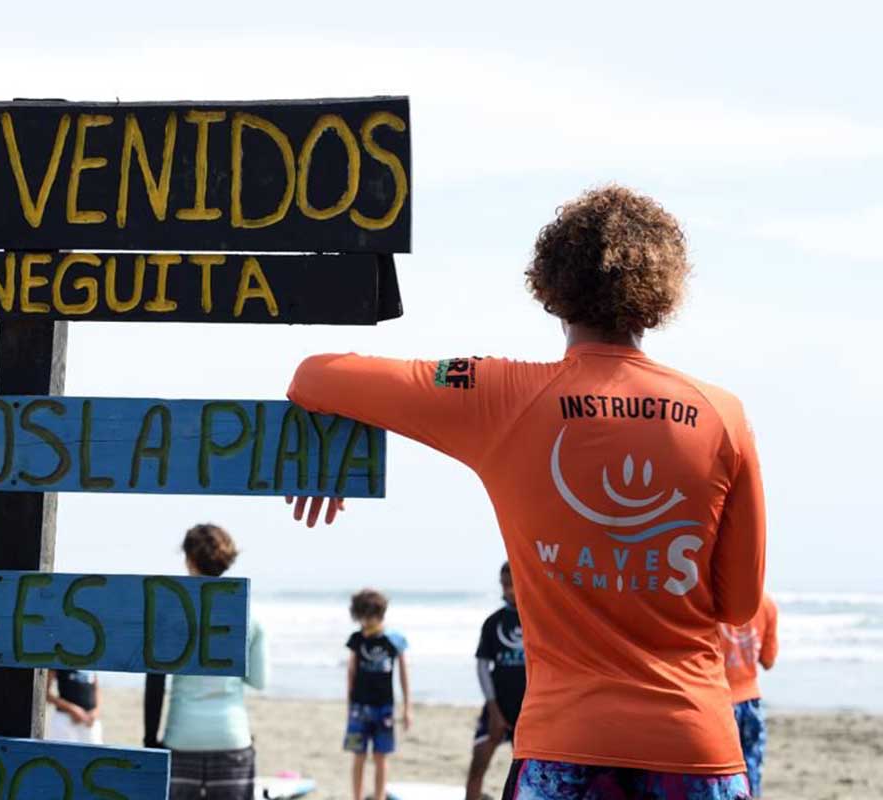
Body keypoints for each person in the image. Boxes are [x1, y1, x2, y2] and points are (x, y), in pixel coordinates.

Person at [286, 186, 765, 800]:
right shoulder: (723, 415)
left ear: (552, 286)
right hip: (696, 748)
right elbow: (738, 604)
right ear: (660, 293)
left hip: (563, 748)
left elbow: (315, 375)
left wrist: (333, 453)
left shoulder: (500, 396)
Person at [143, 524, 268, 800]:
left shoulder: (171, 612)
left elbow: (155, 681)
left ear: (189, 559)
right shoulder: (249, 614)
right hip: (231, 737)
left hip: (181, 737)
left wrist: (150, 739)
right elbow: (260, 681)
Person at [466, 563, 525, 800]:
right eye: (504, 584)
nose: (508, 590)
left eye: (512, 584)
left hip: (529, 709)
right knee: (477, 764)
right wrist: (493, 709)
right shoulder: (494, 623)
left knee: (523, 774)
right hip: (497, 707)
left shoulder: (538, 620)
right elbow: (482, 666)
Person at [344, 589, 410, 800]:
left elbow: (403, 674)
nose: (367, 621)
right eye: (363, 617)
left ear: (381, 614)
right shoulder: (356, 639)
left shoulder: (393, 640)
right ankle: (357, 797)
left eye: (371, 616)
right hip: (359, 708)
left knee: (381, 756)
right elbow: (351, 672)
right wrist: (349, 705)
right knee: (358, 755)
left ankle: (379, 796)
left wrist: (407, 708)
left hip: (384, 708)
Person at [720, 593, 778, 797]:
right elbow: (768, 661)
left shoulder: (713, 602)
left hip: (718, 703)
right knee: (751, 769)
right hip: (750, 702)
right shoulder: (767, 605)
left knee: (720, 777)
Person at [47, 669, 102, 744]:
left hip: (89, 719)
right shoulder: (59, 661)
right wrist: (72, 709)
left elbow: (96, 688)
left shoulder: (90, 660)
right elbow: (45, 693)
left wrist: (96, 710)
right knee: (61, 752)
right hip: (65, 718)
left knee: (94, 753)